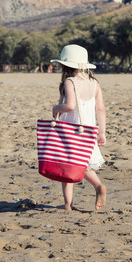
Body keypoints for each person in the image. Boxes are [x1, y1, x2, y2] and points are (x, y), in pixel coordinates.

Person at [51, 44, 107, 211]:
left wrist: (56, 109)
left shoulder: (70, 81)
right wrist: (102, 132)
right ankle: (97, 186)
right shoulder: (94, 83)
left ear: (65, 65)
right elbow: (101, 109)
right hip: (89, 130)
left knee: (67, 167)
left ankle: (69, 204)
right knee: (84, 164)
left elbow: (69, 105)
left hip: (71, 130)